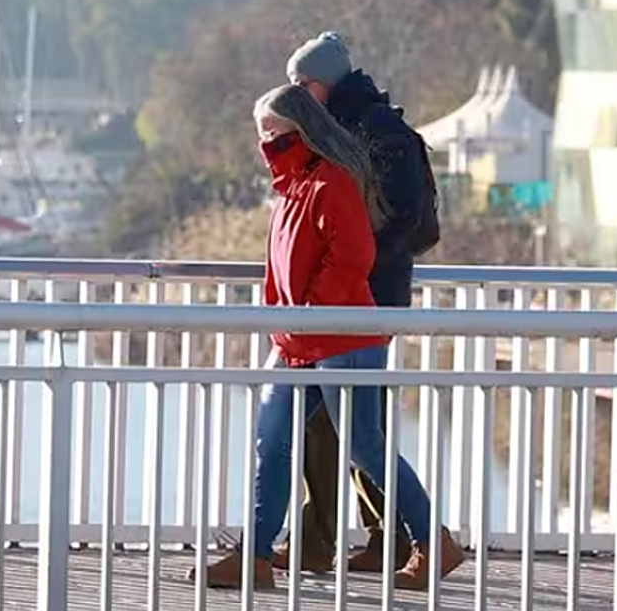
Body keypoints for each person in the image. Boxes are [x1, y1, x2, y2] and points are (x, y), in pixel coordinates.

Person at [190, 84, 459, 592]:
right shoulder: (293, 187)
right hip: (299, 339)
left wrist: (313, 311)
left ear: (301, 130)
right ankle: (256, 556)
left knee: (364, 448)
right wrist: (289, 319)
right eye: (261, 134)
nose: (264, 143)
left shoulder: (331, 182)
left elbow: (354, 255)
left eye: (272, 133)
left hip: (342, 336)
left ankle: (432, 542)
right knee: (273, 442)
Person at [275, 31, 446, 579]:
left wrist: (340, 262)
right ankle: (379, 537)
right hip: (349, 301)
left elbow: (400, 218)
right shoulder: (351, 126)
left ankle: (344, 539)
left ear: (324, 82)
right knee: (343, 426)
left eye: (302, 83)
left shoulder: (378, 132)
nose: (296, 92)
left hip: (362, 301)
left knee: (338, 427)